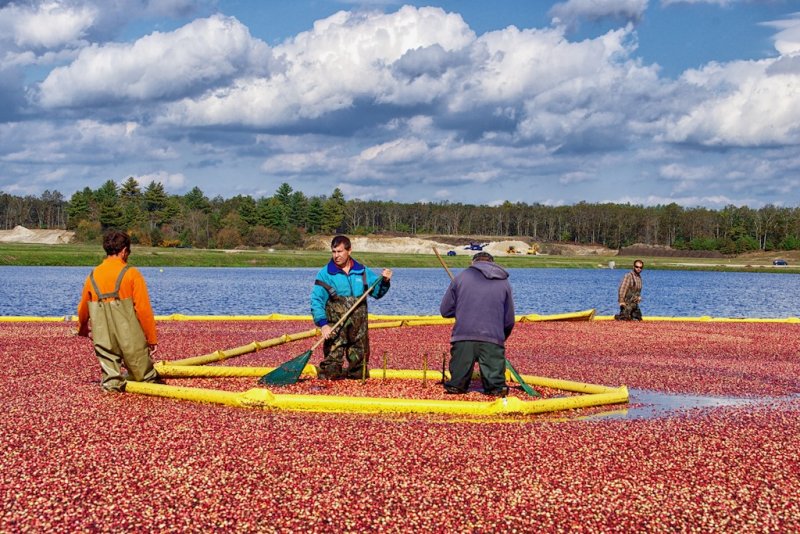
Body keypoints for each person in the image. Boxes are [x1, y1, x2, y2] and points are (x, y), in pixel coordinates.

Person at [77, 230, 161, 391]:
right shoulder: (131, 274)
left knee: (111, 383)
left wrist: (82, 328)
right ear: (124, 251)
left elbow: (83, 308)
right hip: (131, 338)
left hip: (103, 337)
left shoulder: (92, 276)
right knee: (146, 379)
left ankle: (109, 403)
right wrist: (151, 338)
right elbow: (143, 309)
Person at [311, 235, 392, 379]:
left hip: (359, 328)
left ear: (349, 251)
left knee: (359, 370)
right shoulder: (325, 274)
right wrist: (323, 325)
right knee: (330, 370)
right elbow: (316, 301)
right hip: (336, 328)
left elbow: (377, 293)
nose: (336, 255)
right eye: (334, 252)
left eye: (340, 251)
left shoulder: (361, 271)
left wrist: (385, 281)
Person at [440, 251, 515, 396]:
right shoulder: (504, 282)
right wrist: (500, 338)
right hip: (492, 338)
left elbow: (445, 310)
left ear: (473, 263)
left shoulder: (460, 278)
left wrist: (462, 308)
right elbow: (509, 319)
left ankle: (457, 387)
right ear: (493, 263)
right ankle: (494, 390)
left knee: (456, 387)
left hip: (463, 337)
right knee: (497, 389)